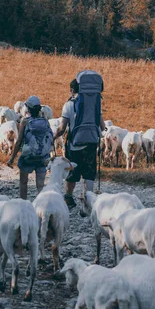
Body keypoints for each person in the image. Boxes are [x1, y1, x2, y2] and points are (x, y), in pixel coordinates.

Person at [54, 72, 106, 209]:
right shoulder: (95, 104)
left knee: (72, 172)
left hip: (74, 145)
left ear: (72, 90)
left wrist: (53, 137)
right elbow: (102, 126)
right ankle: (87, 200)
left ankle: (69, 198)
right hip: (91, 143)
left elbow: (62, 128)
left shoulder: (69, 105)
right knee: (89, 172)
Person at [7, 95, 54, 200]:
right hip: (42, 157)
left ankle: (23, 204)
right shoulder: (45, 121)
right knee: (40, 185)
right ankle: (41, 206)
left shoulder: (25, 121)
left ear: (27, 108)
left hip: (28, 157)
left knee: (23, 183)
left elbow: (19, 141)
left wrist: (12, 158)